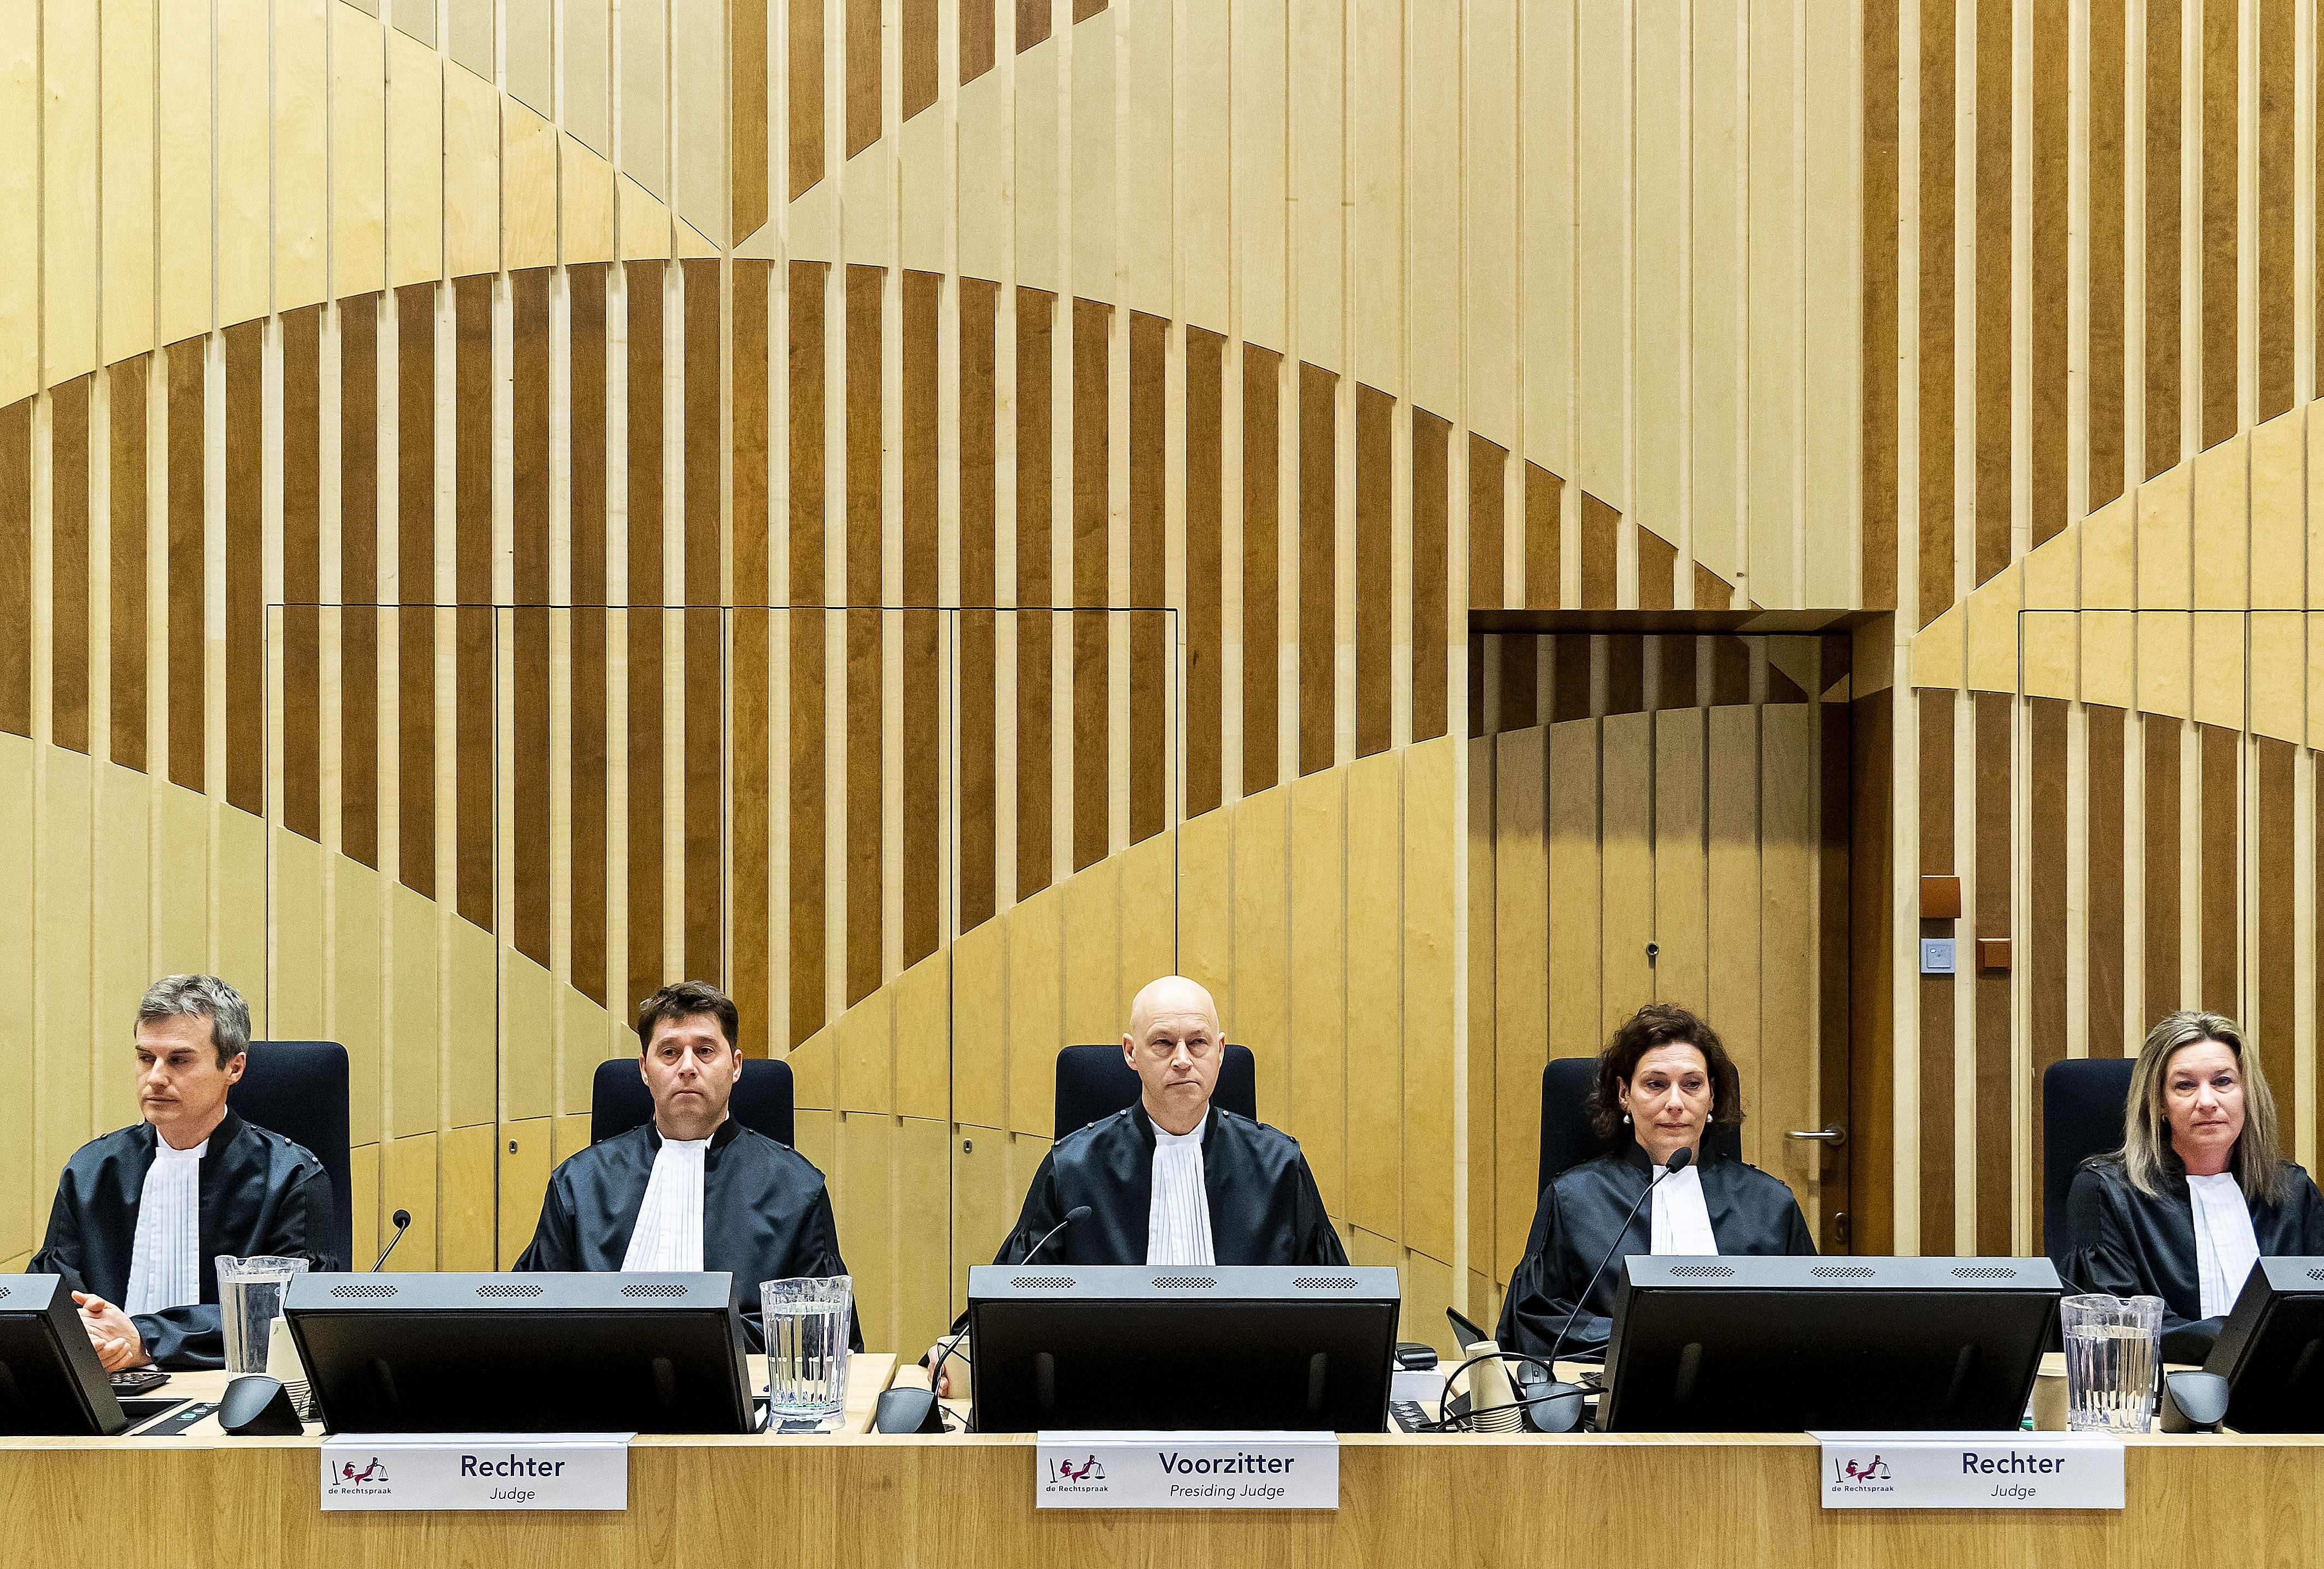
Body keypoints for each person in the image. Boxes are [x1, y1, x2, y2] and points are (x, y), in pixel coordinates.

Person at [929, 975, 1344, 1391]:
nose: (1182, 1058)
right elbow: (1010, 1295)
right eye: (1163, 1043)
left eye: (1197, 1043)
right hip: (1104, 1395)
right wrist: (952, 1352)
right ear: (1131, 1052)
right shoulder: (1074, 1167)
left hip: (1253, 1395)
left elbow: (1342, 1308)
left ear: (1219, 1051)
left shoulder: (1280, 1166)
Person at [516, 979, 858, 1351]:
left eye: (706, 1050)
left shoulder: (797, 1189)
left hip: (751, 1401)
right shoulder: (578, 1185)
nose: (688, 1067)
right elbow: (528, 1322)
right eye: (670, 1052)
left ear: (736, 1066)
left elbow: (828, 1341)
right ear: (645, 1070)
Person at [33, 976, 341, 1370]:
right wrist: (91, 1335)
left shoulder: (292, 1176)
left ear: (234, 1067)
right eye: (146, 1058)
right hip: (104, 1382)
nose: (156, 1077)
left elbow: (291, 1314)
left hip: (234, 1389)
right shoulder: (91, 1170)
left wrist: (145, 1337)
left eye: (178, 1060)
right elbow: (51, 1293)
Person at [1496, 1001, 1815, 1361]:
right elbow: (1531, 1322)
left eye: (1692, 1084)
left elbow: (1814, 1324)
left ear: (1711, 1095)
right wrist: (1644, 1340)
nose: (1675, 1102)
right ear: (1624, 1094)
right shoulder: (1573, 1199)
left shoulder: (1770, 1204)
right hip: (1607, 1399)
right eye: (1655, 1084)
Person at [2068, 1010, 2324, 1362]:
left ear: (2246, 1095)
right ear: (2159, 1103)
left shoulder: (2293, 1192)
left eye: (2223, 1082)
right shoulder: (2106, 1192)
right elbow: (2114, 1324)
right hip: (2163, 1394)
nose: (2207, 1101)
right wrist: (2239, 1338)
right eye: (2185, 1086)